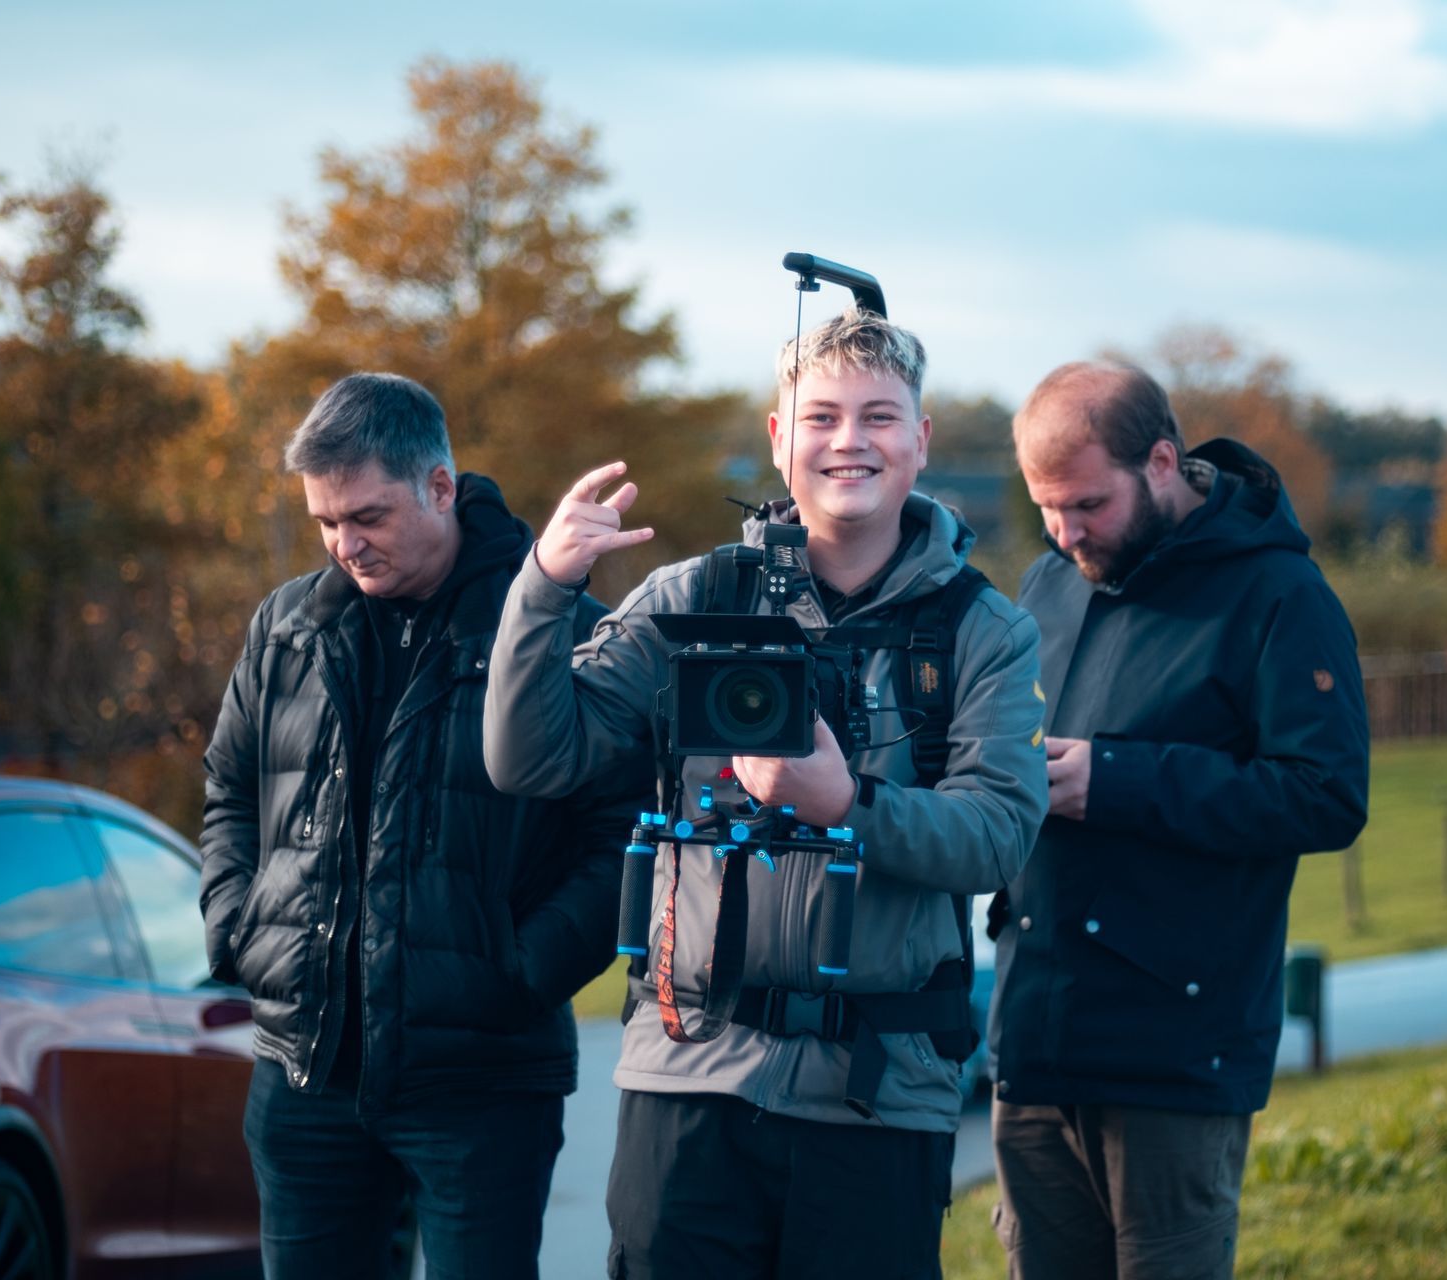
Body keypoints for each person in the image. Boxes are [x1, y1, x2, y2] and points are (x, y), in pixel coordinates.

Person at [483, 310, 1048, 1279]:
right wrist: (542, 585)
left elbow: (999, 835)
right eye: (821, 416)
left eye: (878, 416)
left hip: (877, 1097)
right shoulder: (693, 596)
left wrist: (849, 802)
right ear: (781, 438)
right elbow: (528, 757)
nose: (848, 441)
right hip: (688, 1074)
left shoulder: (984, 630)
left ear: (921, 440)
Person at [198, 373, 639, 1280]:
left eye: (366, 516)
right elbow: (230, 788)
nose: (343, 545)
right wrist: (238, 927)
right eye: (325, 523)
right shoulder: (286, 627)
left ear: (441, 486)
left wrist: (523, 968)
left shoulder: (565, 632)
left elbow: (621, 834)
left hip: (482, 1078)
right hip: (304, 1073)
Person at [988, 360, 1370, 1279]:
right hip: (1033, 1041)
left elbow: (1325, 794)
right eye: (1048, 508)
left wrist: (1114, 781)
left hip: (1174, 1052)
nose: (1066, 533)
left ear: (1162, 462)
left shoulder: (1283, 597)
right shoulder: (1049, 584)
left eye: (1087, 504)